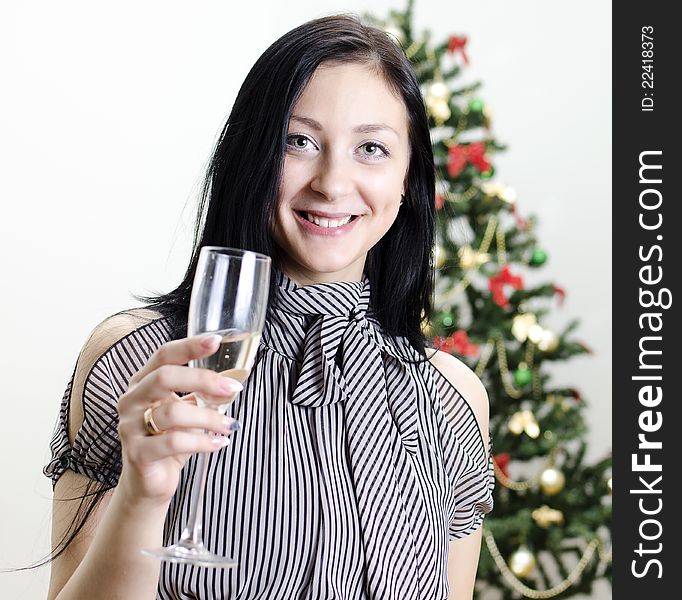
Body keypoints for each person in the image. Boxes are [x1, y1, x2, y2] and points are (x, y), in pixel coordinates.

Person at [44, 14, 493, 600]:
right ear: (255, 154)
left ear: (408, 179)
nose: (333, 183)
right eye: (297, 140)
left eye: (372, 148)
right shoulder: (136, 361)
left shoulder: (452, 399)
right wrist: (141, 495)